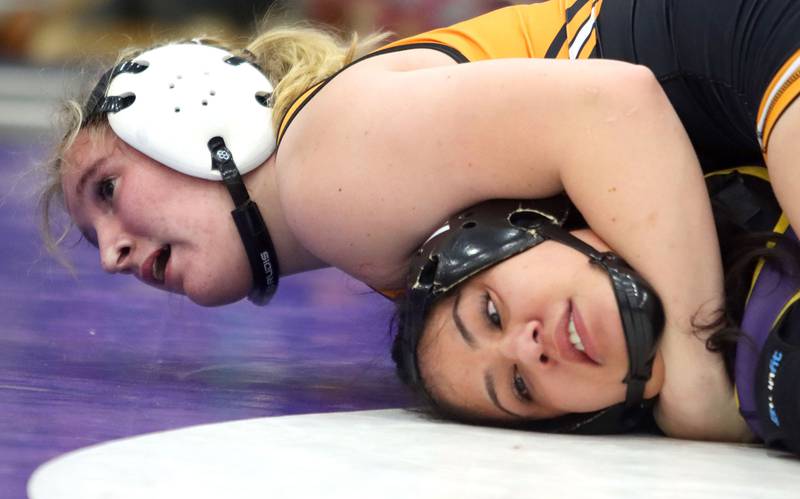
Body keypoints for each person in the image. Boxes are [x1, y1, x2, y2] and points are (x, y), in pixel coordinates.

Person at [38, 1, 799, 439]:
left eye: (107, 191)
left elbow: (618, 109)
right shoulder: (349, 204)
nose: (113, 254)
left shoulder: (323, 174)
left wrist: (694, 375)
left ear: (187, 116)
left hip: (754, 53)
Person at [392, 167, 800, 454]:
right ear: (585, 419)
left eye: (492, 314)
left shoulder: (693, 118)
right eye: (520, 386)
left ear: (530, 228)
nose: (527, 350)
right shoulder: (778, 377)